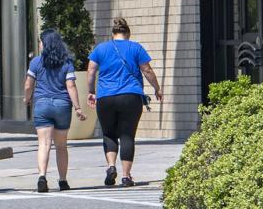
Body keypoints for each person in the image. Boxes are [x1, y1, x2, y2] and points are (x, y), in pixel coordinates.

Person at [86, 17, 163, 187]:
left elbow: (91, 70)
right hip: (130, 96)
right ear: (127, 33)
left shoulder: (101, 48)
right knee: (127, 135)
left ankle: (111, 166)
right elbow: (147, 70)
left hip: (105, 96)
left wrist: (91, 91)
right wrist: (157, 88)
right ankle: (126, 176)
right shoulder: (135, 48)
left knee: (109, 133)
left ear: (113, 34)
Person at [23, 30, 86, 193]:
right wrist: (78, 107)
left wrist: (26, 98)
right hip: (62, 106)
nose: (39, 44)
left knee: (44, 144)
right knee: (61, 146)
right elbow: (71, 86)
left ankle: (42, 177)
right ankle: (63, 180)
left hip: (42, 105)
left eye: (40, 41)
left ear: (45, 43)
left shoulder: (36, 62)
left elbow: (28, 85)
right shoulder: (67, 63)